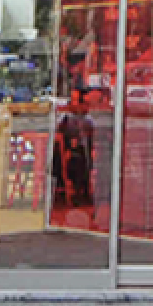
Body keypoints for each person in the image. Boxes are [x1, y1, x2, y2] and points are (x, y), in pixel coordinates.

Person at [51, 88, 96, 226]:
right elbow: (59, 137)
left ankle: (82, 190)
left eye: (78, 100)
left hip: (81, 151)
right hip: (66, 152)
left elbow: (91, 137)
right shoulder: (66, 118)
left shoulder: (87, 119)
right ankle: (73, 191)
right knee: (74, 159)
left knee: (82, 158)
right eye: (73, 100)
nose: (75, 103)